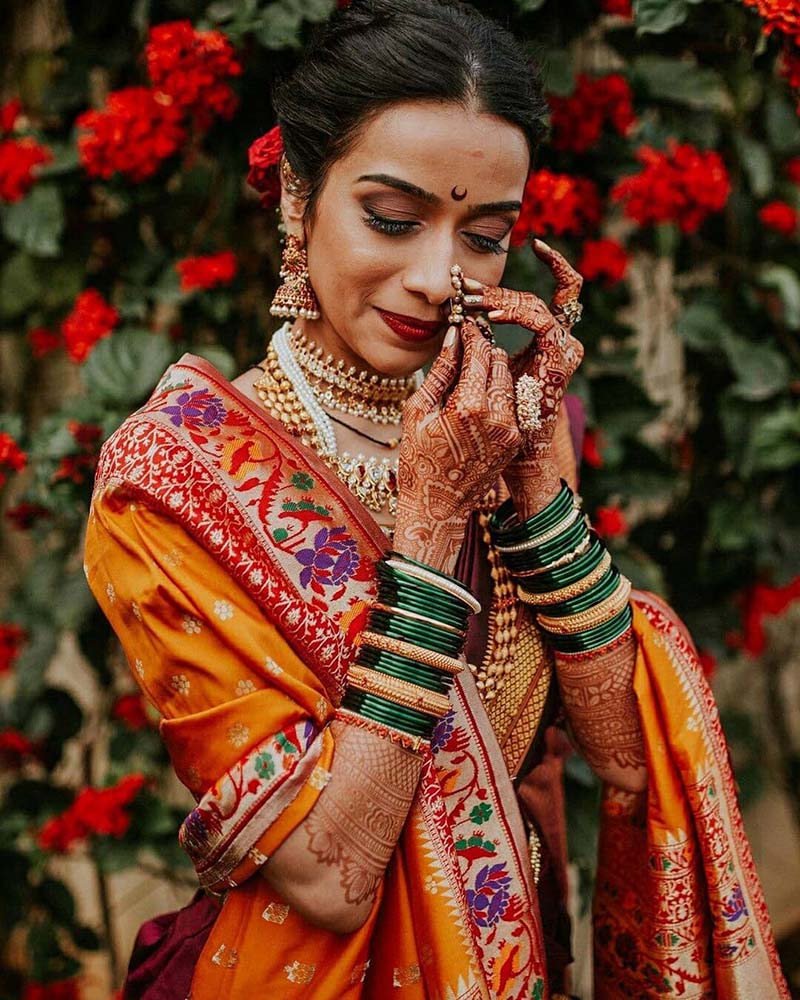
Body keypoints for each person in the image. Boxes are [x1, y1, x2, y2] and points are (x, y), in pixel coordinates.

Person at [83, 1, 790, 997]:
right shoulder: (169, 480)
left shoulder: (497, 430)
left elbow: (628, 767)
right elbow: (328, 877)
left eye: (485, 235)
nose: (437, 277)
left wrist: (541, 497)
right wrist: (425, 531)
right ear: (296, 199)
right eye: (392, 219)